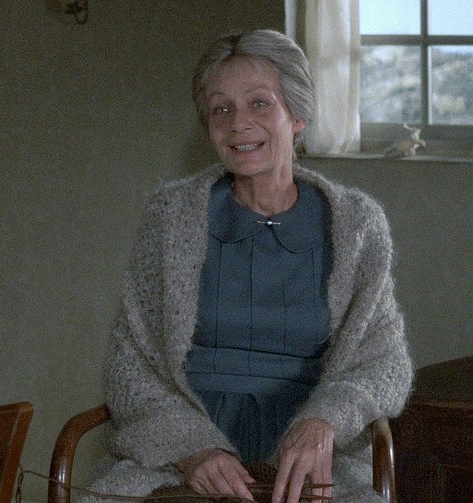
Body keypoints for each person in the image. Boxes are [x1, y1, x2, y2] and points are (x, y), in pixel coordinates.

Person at [85, 29, 413, 503]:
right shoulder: (171, 217)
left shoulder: (357, 224)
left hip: (311, 464)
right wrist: (192, 450)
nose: (239, 124)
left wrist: (324, 422)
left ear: (297, 115)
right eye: (221, 109)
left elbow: (386, 362)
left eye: (259, 103)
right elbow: (128, 364)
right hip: (181, 459)